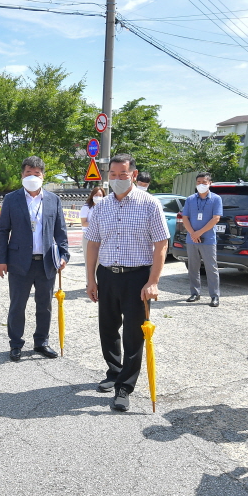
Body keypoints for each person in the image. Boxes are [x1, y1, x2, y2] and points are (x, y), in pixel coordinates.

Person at [84, 154, 168, 411]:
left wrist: (153, 281)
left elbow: (161, 244)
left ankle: (125, 386)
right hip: (108, 276)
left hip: (137, 278)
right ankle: (114, 371)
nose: (117, 179)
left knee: (134, 334)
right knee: (108, 329)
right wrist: (91, 279)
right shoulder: (102, 207)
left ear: (134, 174)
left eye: (123, 174)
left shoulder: (149, 204)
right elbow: (93, 244)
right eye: (113, 174)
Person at [0, 156, 71, 361]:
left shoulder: (53, 200)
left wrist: (64, 255)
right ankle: (15, 343)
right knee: (17, 305)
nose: (32, 176)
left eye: (36, 173)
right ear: (22, 175)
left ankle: (41, 342)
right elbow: (3, 231)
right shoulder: (11, 199)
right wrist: (0, 260)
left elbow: (61, 231)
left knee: (44, 305)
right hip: (18, 262)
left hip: (46, 262)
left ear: (43, 176)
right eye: (28, 172)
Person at [180, 172, 222, 306]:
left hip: (208, 239)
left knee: (211, 268)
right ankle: (195, 293)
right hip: (192, 239)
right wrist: (193, 233)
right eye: (199, 182)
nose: (201, 184)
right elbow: (185, 217)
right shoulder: (190, 199)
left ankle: (214, 296)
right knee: (193, 267)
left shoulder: (216, 199)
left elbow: (216, 218)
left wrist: (199, 233)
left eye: (204, 182)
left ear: (210, 183)